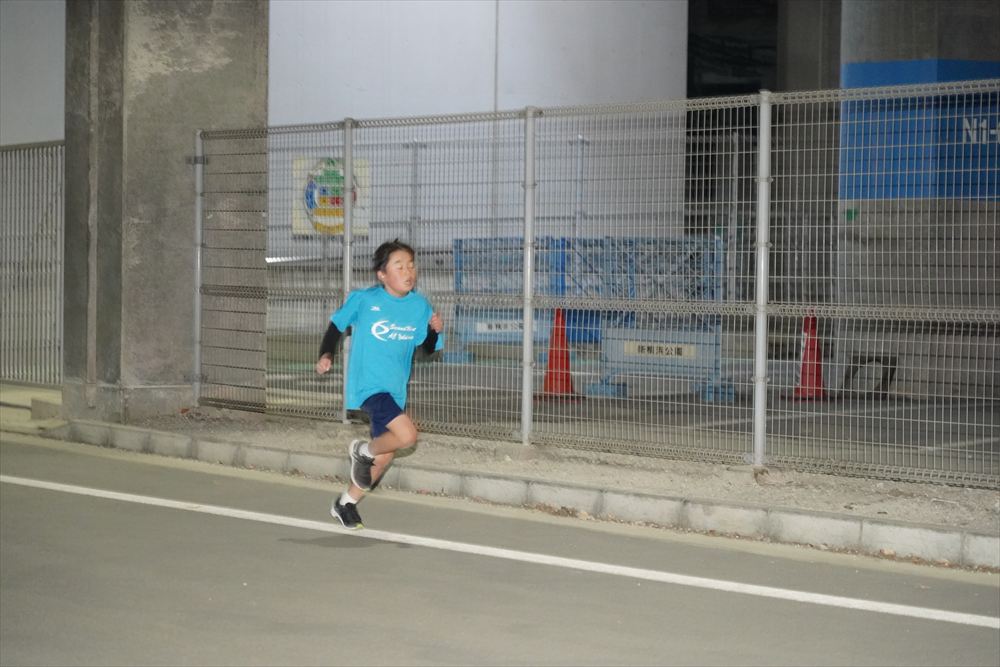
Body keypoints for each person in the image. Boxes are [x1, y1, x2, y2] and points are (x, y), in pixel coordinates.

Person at [315, 239, 444, 529]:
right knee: (407, 436)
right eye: (399, 266)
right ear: (382, 274)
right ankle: (362, 451)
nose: (408, 272)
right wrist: (326, 354)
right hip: (370, 386)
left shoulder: (419, 306)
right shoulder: (365, 300)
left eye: (411, 266)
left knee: (384, 456)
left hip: (395, 390)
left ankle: (345, 503)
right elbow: (336, 326)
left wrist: (434, 331)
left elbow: (427, 348)